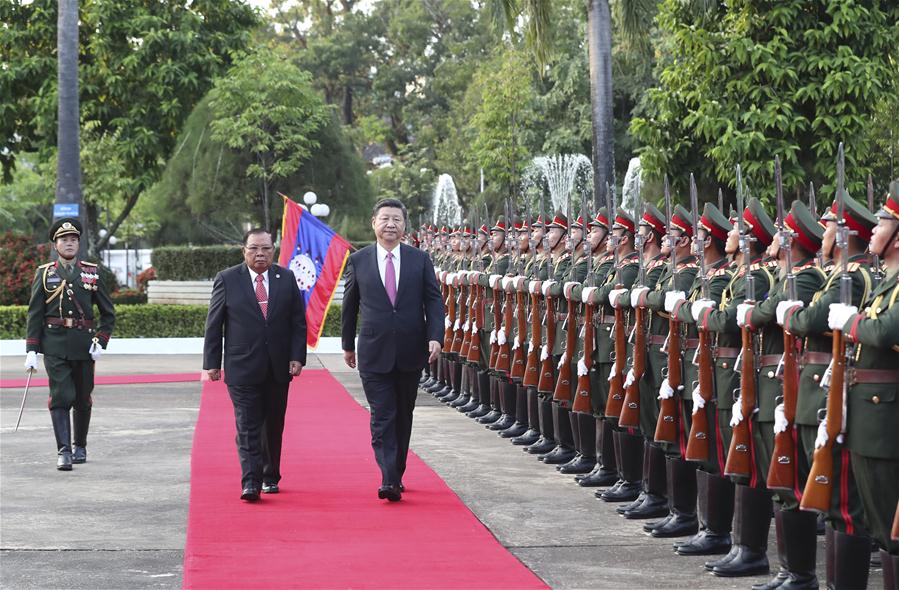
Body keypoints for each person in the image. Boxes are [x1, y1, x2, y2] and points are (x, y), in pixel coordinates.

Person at [341, 198, 444, 502]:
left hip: (411, 350)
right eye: (384, 219)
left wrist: (435, 335)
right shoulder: (358, 260)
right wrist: (347, 344)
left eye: (396, 220)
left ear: (404, 226)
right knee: (382, 415)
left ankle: (396, 469)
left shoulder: (419, 259)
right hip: (373, 350)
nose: (390, 225)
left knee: (403, 414)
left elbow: (433, 301)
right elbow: (350, 305)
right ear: (373, 223)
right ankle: (388, 477)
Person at [203, 228, 306, 502]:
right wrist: (211, 363)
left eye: (266, 249)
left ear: (274, 250)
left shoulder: (286, 278)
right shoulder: (227, 279)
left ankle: (270, 475)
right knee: (247, 424)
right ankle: (250, 481)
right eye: (254, 249)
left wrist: (297, 357)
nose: (260, 254)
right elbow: (214, 326)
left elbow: (298, 321)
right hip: (241, 366)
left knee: (273, 424)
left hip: (278, 366)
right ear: (244, 250)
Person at [25, 218, 115, 470]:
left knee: (83, 397)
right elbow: (35, 313)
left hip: (84, 345)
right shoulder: (44, 274)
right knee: (61, 395)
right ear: (55, 244)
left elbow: (108, 313)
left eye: (74, 239)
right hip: (53, 344)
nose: (69, 243)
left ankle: (80, 446)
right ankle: (63, 450)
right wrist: (32, 348)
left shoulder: (91, 272)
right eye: (64, 240)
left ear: (79, 243)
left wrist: (101, 340)